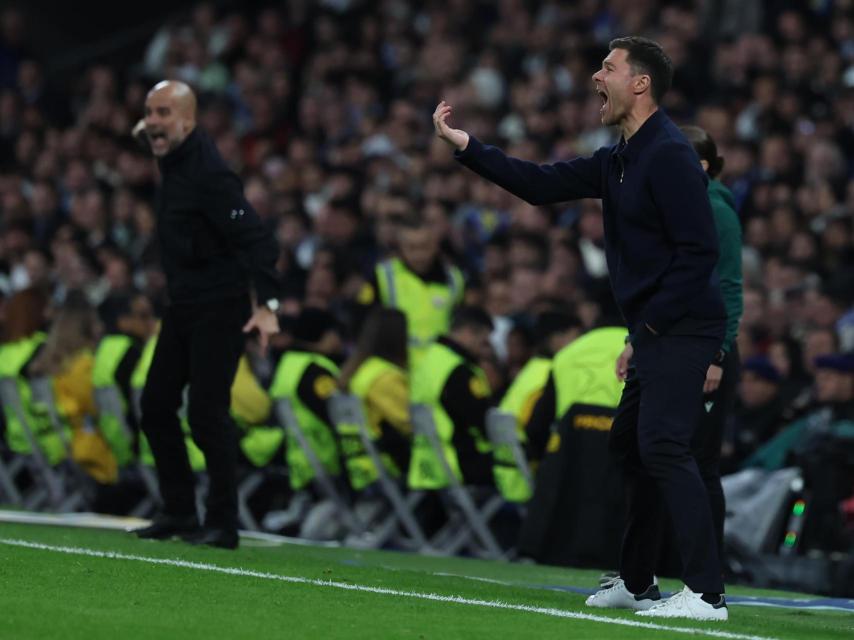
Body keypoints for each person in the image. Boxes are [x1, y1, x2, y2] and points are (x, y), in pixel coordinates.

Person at [435, 37, 728, 620]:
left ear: (640, 83)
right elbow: (539, 185)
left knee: (662, 445)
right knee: (630, 446)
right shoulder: (617, 158)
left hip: (682, 326)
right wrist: (468, 147)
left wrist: (648, 326)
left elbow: (700, 252)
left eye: (608, 68)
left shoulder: (669, 153)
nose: (596, 76)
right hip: (655, 329)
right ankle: (638, 581)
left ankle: (706, 593)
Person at [133, 80, 281, 550]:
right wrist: (152, 132)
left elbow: (258, 239)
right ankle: (179, 510)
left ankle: (222, 522)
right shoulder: (175, 156)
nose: (152, 122)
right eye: (148, 112)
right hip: (183, 306)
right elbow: (155, 137)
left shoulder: (210, 176)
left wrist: (268, 306)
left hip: (220, 306)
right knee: (156, 406)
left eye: (163, 113)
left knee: (205, 414)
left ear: (189, 120)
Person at [673, 125, 744, 572]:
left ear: (700, 165)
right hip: (676, 346)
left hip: (709, 352)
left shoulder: (717, 212)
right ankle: (663, 561)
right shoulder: (679, 205)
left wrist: (718, 355)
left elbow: (730, 288)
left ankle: (707, 568)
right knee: (665, 453)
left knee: (700, 460)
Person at [408, 306, 494, 491]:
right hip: (457, 462)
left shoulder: (430, 359)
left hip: (427, 462)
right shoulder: (458, 371)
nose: (485, 350)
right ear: (469, 333)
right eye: (483, 342)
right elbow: (482, 421)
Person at [369, 213, 464, 364]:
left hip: (438, 367)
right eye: (411, 247)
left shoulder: (453, 279)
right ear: (400, 246)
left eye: (424, 246)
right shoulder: (384, 276)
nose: (419, 255)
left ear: (435, 245)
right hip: (397, 365)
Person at [338, 307, 412, 489]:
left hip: (359, 466)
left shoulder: (360, 371)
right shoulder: (384, 377)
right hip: (385, 467)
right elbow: (410, 424)